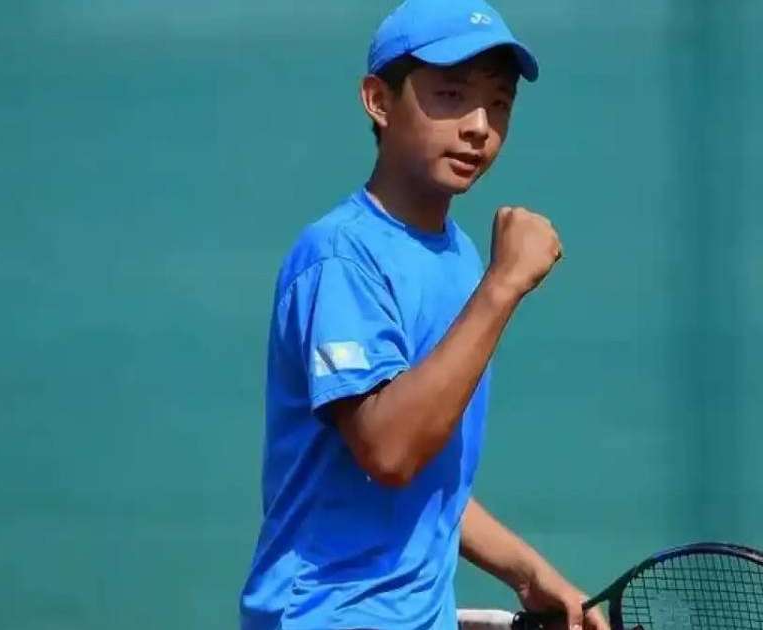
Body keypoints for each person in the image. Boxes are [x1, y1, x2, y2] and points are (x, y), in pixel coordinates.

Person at [240, 1, 609, 628]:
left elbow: (429, 482)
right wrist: (504, 285)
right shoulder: (340, 257)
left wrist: (531, 575)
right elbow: (391, 451)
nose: (478, 126)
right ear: (378, 101)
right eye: (450, 94)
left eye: (498, 103)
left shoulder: (459, 258)